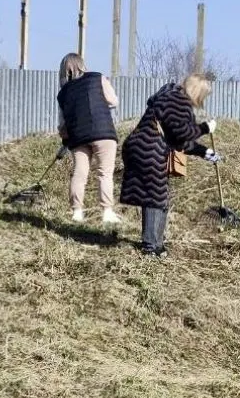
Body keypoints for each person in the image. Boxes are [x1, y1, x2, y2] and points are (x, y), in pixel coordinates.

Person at [119, 73, 221, 257]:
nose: (202, 99)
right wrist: (205, 128)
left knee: (160, 197)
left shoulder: (173, 99)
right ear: (196, 91)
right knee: (153, 197)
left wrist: (204, 152)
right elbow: (183, 133)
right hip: (149, 151)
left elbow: (179, 140)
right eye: (203, 94)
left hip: (144, 148)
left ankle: (157, 244)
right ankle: (150, 246)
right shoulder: (177, 100)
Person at [55, 53, 120, 224]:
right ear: (82, 65)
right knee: (104, 173)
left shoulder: (63, 93)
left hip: (79, 137)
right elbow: (113, 101)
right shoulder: (97, 78)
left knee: (79, 173)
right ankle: (107, 212)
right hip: (103, 132)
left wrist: (65, 139)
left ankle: (77, 212)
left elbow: (62, 125)